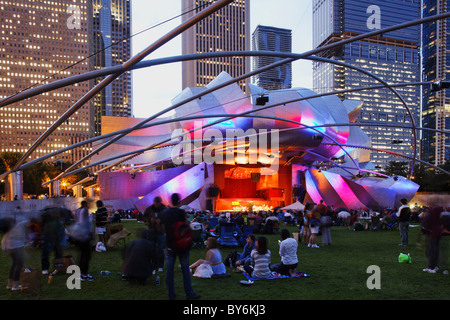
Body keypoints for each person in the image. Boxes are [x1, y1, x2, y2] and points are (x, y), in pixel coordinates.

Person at [161, 193, 200, 300]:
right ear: (179, 201)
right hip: (181, 245)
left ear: (170, 201)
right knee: (185, 270)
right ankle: (189, 293)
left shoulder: (165, 213)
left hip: (169, 245)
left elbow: (163, 228)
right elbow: (186, 226)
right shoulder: (181, 212)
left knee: (169, 270)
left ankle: (171, 294)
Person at [72, 200, 95, 281]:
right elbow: (86, 223)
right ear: (86, 204)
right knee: (86, 255)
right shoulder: (84, 211)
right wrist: (91, 233)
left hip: (77, 234)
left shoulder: (77, 211)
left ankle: (80, 272)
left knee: (81, 255)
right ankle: (84, 274)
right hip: (84, 235)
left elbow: (76, 221)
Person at [1, 217, 26, 290]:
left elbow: (4, 239)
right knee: (19, 264)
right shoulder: (15, 229)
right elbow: (22, 237)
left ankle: (9, 284)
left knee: (14, 263)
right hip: (15, 247)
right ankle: (15, 285)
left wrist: (4, 248)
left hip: (10, 248)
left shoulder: (8, 230)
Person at [39, 206, 66, 274]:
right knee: (49, 252)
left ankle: (53, 267)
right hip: (50, 237)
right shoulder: (50, 220)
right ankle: (55, 266)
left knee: (50, 252)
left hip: (51, 237)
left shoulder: (55, 219)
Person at [144, 196, 166, 273]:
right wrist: (150, 220)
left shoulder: (164, 209)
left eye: (158, 203)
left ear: (160, 202)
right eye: (155, 203)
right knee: (152, 249)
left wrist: (161, 220)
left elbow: (167, 218)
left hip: (161, 232)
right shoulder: (149, 209)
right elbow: (144, 217)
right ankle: (153, 265)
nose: (156, 204)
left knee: (160, 249)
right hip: (152, 231)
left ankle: (160, 265)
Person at [421, 206, 444, 273]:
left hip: (432, 232)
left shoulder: (432, 210)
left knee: (432, 250)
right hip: (439, 231)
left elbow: (426, 220)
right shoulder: (441, 209)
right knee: (436, 249)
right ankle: (435, 266)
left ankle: (431, 267)